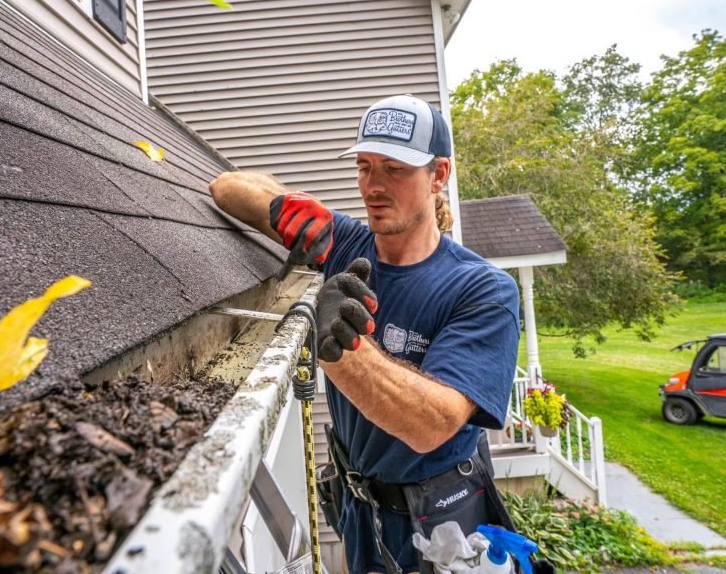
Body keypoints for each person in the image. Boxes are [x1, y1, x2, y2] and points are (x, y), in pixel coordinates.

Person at [209, 94, 520, 574]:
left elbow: (432, 424)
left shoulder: (481, 289)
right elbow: (225, 187)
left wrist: (342, 348)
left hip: (438, 526)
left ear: (438, 175)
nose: (373, 185)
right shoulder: (344, 243)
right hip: (359, 512)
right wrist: (287, 206)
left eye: (394, 168)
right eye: (364, 166)